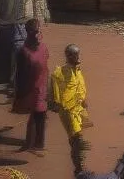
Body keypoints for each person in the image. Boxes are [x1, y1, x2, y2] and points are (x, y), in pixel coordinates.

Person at [50, 43, 89, 172]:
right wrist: (57, 105)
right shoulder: (59, 73)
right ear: (69, 56)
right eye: (75, 55)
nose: (78, 57)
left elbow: (80, 88)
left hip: (79, 110)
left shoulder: (78, 70)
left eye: (79, 54)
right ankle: (79, 168)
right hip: (68, 112)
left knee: (77, 138)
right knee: (76, 139)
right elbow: (56, 96)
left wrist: (84, 103)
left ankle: (78, 166)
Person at [13, 18, 49, 155]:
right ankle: (30, 146)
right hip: (30, 89)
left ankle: (37, 145)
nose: (37, 35)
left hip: (42, 87)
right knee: (36, 115)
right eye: (34, 32)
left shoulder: (44, 47)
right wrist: (19, 94)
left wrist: (49, 89)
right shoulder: (23, 52)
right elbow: (19, 75)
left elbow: (46, 68)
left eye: (38, 32)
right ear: (27, 33)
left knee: (41, 115)